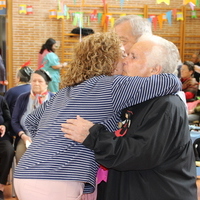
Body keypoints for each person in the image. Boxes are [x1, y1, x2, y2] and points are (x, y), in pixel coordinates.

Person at [13, 32, 181, 200]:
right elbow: (171, 82)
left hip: (27, 171)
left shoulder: (68, 91)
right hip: (55, 178)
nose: (126, 61)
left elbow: (32, 120)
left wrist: (49, 146)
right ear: (110, 60)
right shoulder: (111, 86)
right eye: (123, 55)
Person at [62, 36, 197, 200]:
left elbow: (138, 154)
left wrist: (92, 136)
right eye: (126, 55)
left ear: (155, 70)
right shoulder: (133, 100)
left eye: (133, 56)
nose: (124, 61)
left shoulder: (166, 105)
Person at [11, 69, 54, 164]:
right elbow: (14, 121)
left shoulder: (54, 98)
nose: (36, 83)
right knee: (21, 155)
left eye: (40, 81)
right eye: (34, 81)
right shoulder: (22, 98)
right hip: (26, 137)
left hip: (48, 140)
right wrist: (23, 135)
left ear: (46, 84)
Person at [0, 95, 15, 200]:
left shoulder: (1, 99)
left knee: (8, 151)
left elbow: (8, 119)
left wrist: (4, 126)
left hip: (1, 136)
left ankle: (0, 186)